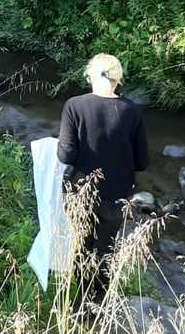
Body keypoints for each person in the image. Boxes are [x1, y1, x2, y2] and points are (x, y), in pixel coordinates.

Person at [57, 54, 148, 270]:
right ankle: (101, 298)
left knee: (80, 247)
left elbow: (66, 156)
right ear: (119, 79)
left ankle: (77, 296)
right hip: (116, 194)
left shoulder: (74, 106)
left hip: (80, 192)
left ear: (89, 77)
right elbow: (142, 162)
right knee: (105, 250)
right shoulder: (133, 111)